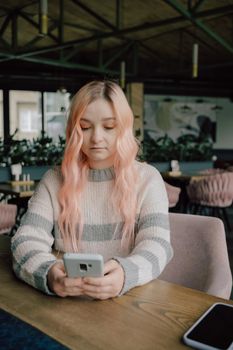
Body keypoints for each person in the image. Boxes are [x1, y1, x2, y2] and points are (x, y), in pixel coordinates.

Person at [11, 80, 173, 300]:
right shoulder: (54, 180)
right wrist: (48, 272)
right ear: (73, 129)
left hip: (128, 301)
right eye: (85, 127)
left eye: (108, 126)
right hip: (65, 303)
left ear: (123, 128)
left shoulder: (147, 179)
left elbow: (158, 246)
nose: (96, 137)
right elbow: (25, 240)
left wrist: (126, 274)